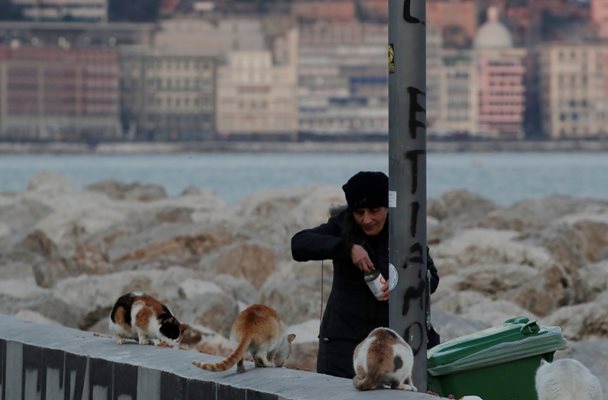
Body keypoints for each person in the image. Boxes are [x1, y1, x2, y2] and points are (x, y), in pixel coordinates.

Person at [290, 171, 439, 378]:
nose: (366, 219)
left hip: (391, 343)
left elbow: (432, 278)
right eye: (359, 212)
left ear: (388, 207)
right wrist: (346, 248)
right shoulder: (342, 224)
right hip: (343, 343)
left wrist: (405, 287)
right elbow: (299, 244)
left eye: (374, 211)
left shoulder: (405, 230)